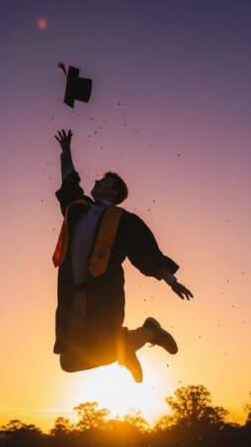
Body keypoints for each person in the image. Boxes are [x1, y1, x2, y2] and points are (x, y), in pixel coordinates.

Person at [51, 129, 194, 382]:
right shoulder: (78, 209)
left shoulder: (124, 221)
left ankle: (148, 333)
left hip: (103, 294)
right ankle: (128, 346)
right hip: (73, 295)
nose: (97, 182)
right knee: (69, 361)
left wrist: (172, 281)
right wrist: (66, 152)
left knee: (104, 345)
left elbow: (147, 254)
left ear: (115, 193)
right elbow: (69, 183)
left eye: (104, 181)